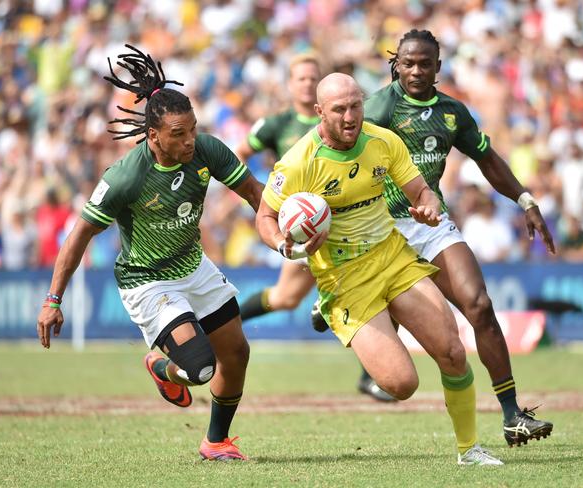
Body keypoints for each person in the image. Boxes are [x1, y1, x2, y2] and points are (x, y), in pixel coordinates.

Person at [255, 72, 504, 466]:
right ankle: (336, 308)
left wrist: (429, 205)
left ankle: (469, 449)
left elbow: (421, 190)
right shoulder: (299, 161)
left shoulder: (383, 142)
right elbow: (265, 217)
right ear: (320, 112)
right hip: (345, 277)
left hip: (393, 257)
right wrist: (285, 246)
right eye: (339, 109)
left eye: (356, 105)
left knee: (454, 351)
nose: (350, 115)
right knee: (401, 384)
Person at [35, 45, 264, 461]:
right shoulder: (126, 176)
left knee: (238, 353)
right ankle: (162, 369)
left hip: (194, 266)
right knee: (200, 368)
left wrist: (279, 224)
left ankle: (216, 441)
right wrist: (53, 300)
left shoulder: (207, 150)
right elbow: (79, 235)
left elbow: (253, 193)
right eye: (179, 134)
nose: (190, 140)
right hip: (148, 281)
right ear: (153, 136)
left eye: (192, 129)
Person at [359, 28, 555, 447]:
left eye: (424, 63)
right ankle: (336, 294)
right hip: (381, 225)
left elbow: (487, 158)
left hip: (430, 222)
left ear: (438, 68)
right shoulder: (378, 108)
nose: (415, 70)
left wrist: (525, 200)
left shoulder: (452, 113)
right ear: (396, 65)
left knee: (480, 306)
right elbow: (345, 154)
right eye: (407, 63)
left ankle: (511, 415)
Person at [237, 53, 395, 402]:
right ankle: (222, 323)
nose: (307, 83)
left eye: (313, 77)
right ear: (291, 85)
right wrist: (261, 196)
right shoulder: (275, 126)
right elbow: (239, 155)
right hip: (306, 229)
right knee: (284, 298)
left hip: (353, 229)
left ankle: (371, 376)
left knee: (384, 289)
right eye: (301, 78)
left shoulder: (353, 123)